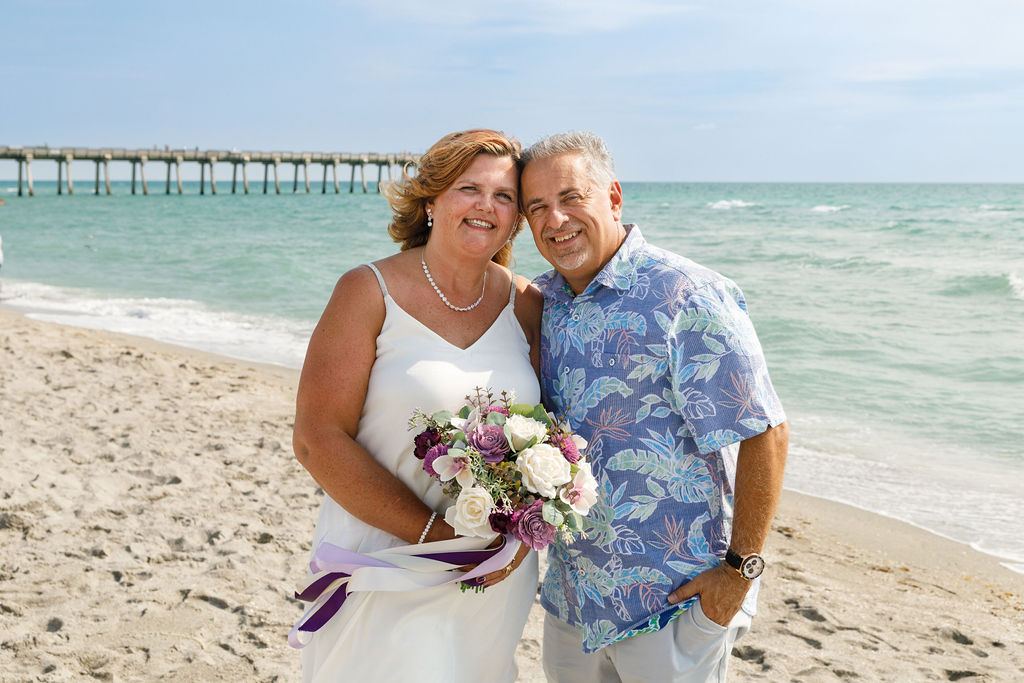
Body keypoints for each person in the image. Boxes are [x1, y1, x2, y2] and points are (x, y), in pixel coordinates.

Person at [520, 131, 789, 682]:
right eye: (537, 207)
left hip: (672, 602)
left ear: (613, 197)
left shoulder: (686, 293)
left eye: (572, 198)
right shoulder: (542, 304)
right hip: (574, 600)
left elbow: (765, 431)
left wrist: (739, 573)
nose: (556, 220)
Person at [292, 129, 542, 682]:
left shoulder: (527, 304)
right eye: (468, 188)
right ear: (430, 199)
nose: (486, 206)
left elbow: (554, 432)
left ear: (516, 217)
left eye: (503, 196)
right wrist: (436, 537)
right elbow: (317, 438)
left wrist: (526, 530)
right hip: (385, 560)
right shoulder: (367, 290)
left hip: (491, 574)